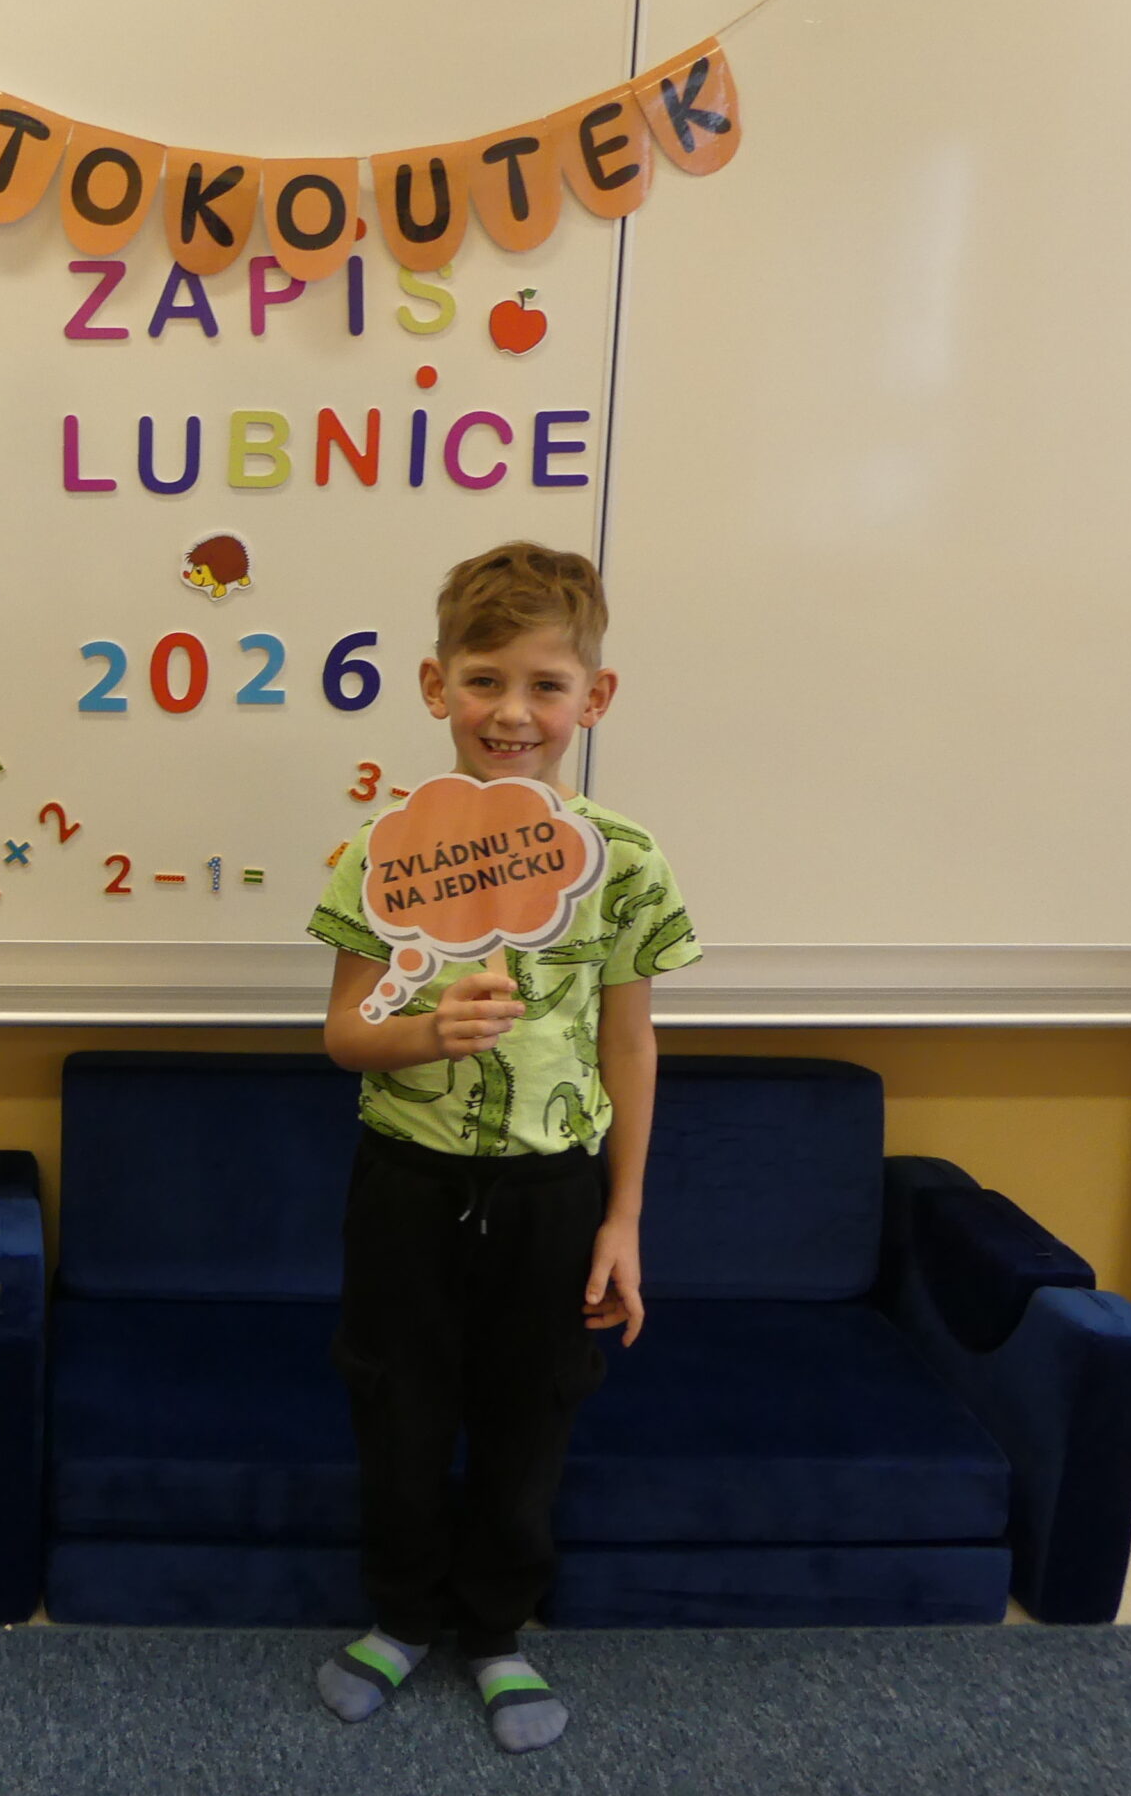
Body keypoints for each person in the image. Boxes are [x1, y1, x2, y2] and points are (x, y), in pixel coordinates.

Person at [308, 541, 700, 1753]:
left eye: (544, 684)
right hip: (408, 1187)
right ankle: (400, 1616)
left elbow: (629, 1043)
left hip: (553, 1194)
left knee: (532, 1416)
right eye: (483, 680)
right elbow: (342, 1035)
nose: (511, 712)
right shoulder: (383, 853)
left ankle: (494, 1631)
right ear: (436, 687)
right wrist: (425, 1031)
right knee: (399, 1410)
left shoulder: (624, 860)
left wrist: (622, 1218)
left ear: (595, 697)